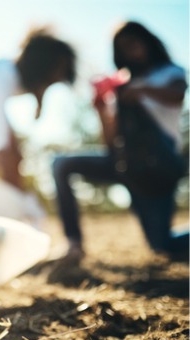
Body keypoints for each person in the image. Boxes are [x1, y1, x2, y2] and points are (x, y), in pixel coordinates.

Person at [52, 21, 188, 261]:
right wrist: (102, 111)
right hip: (125, 165)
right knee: (61, 164)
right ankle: (74, 243)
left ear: (147, 41)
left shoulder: (169, 73)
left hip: (157, 169)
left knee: (162, 245)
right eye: (123, 47)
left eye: (134, 42)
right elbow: (111, 143)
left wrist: (142, 91)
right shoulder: (119, 87)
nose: (130, 50)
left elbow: (177, 95)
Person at [0, 29, 76, 190]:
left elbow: (40, 89)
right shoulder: (4, 76)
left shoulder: (34, 81)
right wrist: (1, 151)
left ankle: (15, 194)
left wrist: (40, 104)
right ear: (41, 66)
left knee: (17, 155)